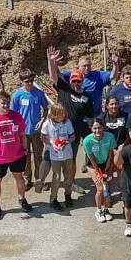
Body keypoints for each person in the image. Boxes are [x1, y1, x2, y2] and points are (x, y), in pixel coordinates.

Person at [0, 91, 30, 221]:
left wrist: (25, 150)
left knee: (19, 177)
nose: (6, 106)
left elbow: (22, 135)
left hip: (17, 154)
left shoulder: (16, 116)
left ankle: (22, 199)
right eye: (3, 103)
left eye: (8, 103)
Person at [47, 47, 95, 175]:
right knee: (54, 156)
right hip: (57, 129)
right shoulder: (64, 88)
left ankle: (71, 182)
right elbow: (53, 74)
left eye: (78, 81)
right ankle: (54, 179)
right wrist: (51, 61)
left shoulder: (86, 97)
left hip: (74, 132)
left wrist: (93, 130)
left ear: (82, 81)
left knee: (71, 158)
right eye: (73, 81)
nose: (75, 83)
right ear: (70, 81)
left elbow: (90, 117)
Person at [10, 72, 47, 192]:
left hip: (36, 131)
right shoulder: (17, 95)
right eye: (27, 81)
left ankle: (40, 179)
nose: (30, 83)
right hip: (23, 133)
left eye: (31, 80)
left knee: (38, 156)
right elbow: (12, 114)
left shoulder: (39, 93)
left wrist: (42, 121)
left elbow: (45, 109)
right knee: (25, 157)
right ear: (21, 81)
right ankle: (27, 179)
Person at [82, 119, 119, 224]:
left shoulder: (110, 137)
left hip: (106, 162)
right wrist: (99, 172)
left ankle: (106, 209)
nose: (97, 130)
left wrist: (107, 169)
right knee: (100, 188)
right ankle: (98, 211)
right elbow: (91, 158)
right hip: (93, 165)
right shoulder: (87, 141)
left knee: (107, 187)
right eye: (94, 128)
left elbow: (111, 153)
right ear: (91, 128)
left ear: (103, 127)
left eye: (99, 128)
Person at [40, 102, 75, 210]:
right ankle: (53, 199)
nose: (63, 116)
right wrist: (51, 143)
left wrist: (67, 142)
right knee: (56, 177)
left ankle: (68, 195)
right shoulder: (47, 124)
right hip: (55, 155)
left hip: (67, 154)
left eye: (64, 113)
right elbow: (43, 137)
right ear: (54, 114)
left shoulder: (67, 122)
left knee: (68, 177)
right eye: (60, 114)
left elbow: (73, 136)